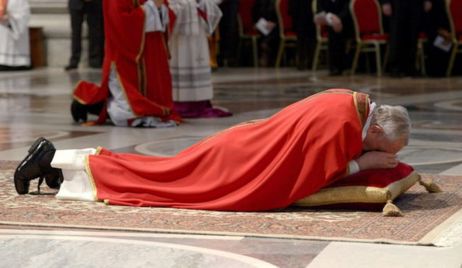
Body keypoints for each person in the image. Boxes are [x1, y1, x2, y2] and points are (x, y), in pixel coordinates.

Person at [14, 89, 411, 212]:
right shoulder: (344, 126)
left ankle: (58, 169)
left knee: (163, 173)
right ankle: (55, 160)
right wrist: (364, 162)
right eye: (378, 143)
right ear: (374, 127)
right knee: (162, 182)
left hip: (242, 145)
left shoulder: (351, 101)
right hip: (240, 162)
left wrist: (367, 155)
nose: (373, 147)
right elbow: (311, 179)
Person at [71, 0, 180, 128]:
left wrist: (161, 9)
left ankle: (96, 105)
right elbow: (119, 20)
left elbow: (167, 12)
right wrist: (151, 8)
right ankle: (88, 105)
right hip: (126, 54)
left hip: (152, 49)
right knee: (125, 110)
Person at [168, 0, 231, 118]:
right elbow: (167, 8)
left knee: (198, 60)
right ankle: (179, 103)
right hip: (179, 37)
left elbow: (212, 4)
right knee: (180, 61)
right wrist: (186, 6)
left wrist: (201, 4)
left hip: (198, 32)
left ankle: (200, 103)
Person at [380, 0, 432, 77]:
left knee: (413, 36)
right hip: (397, 4)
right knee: (397, 35)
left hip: (415, 4)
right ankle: (395, 67)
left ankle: (410, 67)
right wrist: (385, 2)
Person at [313, 0, 353, 76]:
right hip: (330, 23)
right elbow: (319, 12)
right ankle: (335, 66)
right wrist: (331, 19)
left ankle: (345, 64)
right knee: (333, 31)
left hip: (347, 22)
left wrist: (339, 19)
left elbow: (348, 9)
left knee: (337, 29)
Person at [64, 0, 104, 71]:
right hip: (75, 3)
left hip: (94, 3)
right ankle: (74, 60)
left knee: (96, 32)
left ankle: (95, 60)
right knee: (76, 32)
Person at [0, 0, 31, 71]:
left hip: (11, 29)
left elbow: (24, 16)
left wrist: (9, 18)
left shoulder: (19, 1)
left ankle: (14, 63)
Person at [289, 0, 316, 70]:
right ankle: (303, 61)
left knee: (309, 36)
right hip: (300, 14)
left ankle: (309, 60)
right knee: (302, 36)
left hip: (309, 13)